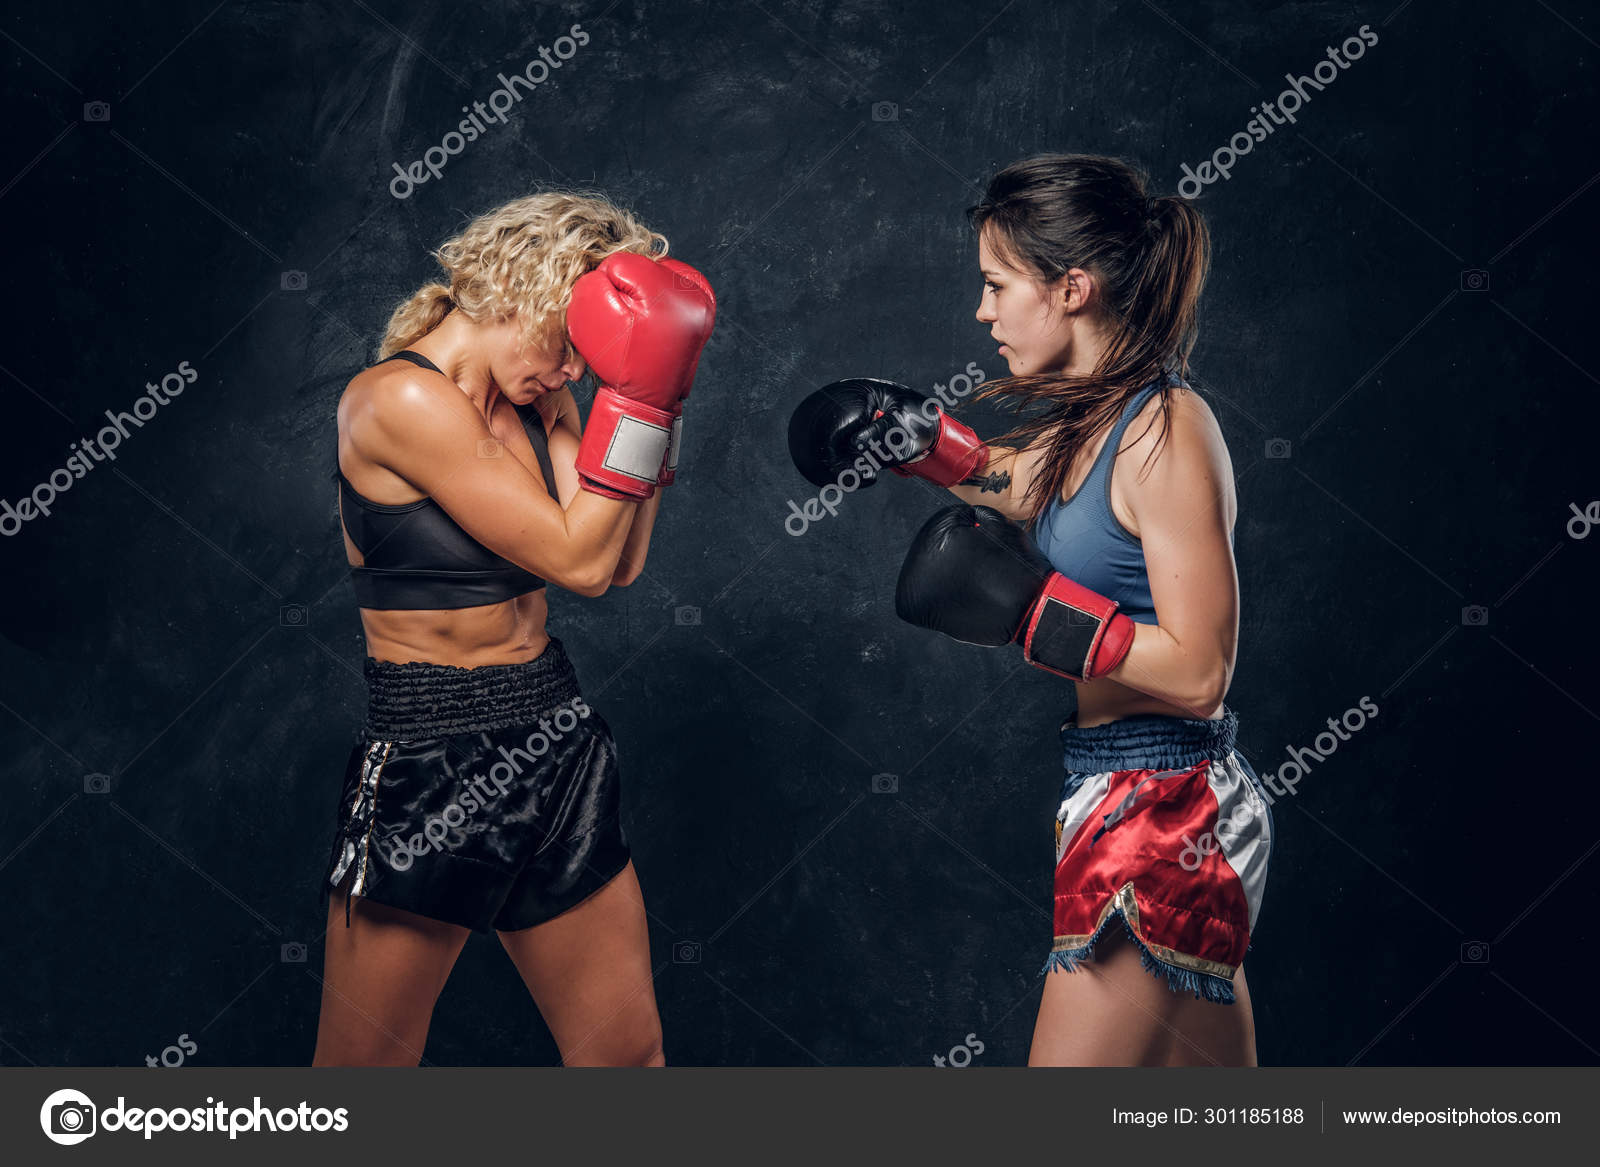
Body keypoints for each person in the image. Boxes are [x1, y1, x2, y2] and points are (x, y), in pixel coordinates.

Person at [788, 154, 1271, 1066]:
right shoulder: (1094, 421)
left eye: (997, 285)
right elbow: (1005, 476)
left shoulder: (1166, 432)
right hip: (1120, 786)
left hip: (1163, 811)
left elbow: (1203, 670)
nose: (983, 312)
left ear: (1073, 288)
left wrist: (1033, 611)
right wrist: (916, 442)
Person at [312, 191, 714, 1066]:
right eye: (571, 344)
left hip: (554, 738)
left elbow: (614, 565)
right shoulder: (395, 401)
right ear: (524, 293)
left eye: (592, 356)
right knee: (362, 1075)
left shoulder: (542, 405)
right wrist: (637, 409)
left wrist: (657, 404)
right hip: (432, 756)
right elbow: (575, 557)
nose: (574, 371)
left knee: (626, 1059)